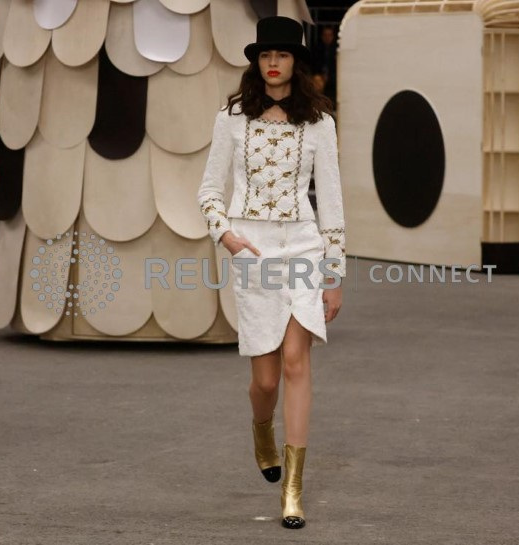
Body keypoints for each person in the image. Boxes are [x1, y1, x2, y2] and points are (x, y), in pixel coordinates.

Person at [196, 16, 346, 530]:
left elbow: (331, 201)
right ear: (256, 62)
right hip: (252, 249)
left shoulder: (319, 122)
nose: (273, 63)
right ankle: (262, 428)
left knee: (296, 361)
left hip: (302, 246)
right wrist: (225, 233)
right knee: (265, 379)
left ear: (296, 62)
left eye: (281, 55)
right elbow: (210, 190)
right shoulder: (232, 118)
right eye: (264, 55)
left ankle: (293, 490)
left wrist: (334, 273)